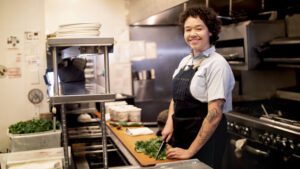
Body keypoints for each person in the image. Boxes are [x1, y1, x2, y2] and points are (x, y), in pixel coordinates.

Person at [161, 6, 235, 169]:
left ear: (210, 31)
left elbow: (214, 114)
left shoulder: (217, 64)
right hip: (182, 137)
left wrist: (190, 151)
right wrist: (169, 124)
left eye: (198, 28)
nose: (192, 33)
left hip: (205, 143)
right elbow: (177, 98)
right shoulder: (185, 61)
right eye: (188, 29)